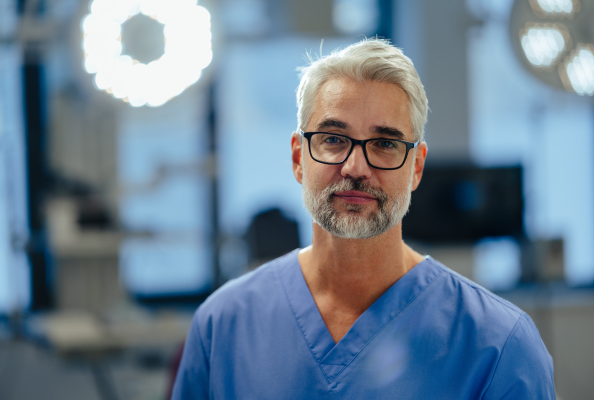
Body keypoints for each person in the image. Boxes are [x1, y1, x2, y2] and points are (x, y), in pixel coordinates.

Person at [171, 38, 555, 399]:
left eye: (385, 144)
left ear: (417, 167)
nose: (355, 168)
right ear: (298, 158)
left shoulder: (498, 345)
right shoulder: (222, 326)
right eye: (334, 140)